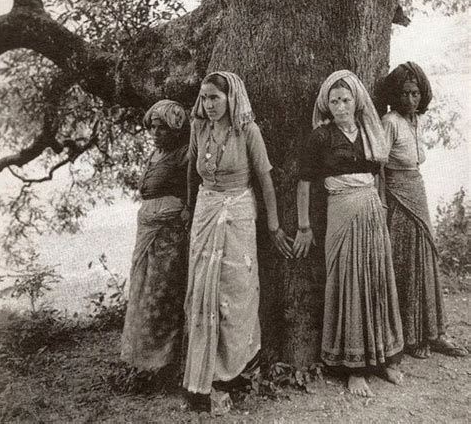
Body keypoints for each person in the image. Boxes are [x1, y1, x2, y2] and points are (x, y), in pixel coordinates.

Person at [183, 71, 291, 411]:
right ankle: (204, 374)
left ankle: (235, 372)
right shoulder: (200, 128)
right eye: (204, 97)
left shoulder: (248, 131)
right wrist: (190, 209)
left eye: (215, 97)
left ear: (232, 98)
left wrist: (273, 225)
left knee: (235, 293)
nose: (209, 104)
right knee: (204, 293)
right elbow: (191, 174)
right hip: (206, 212)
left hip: (239, 215)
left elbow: (265, 179)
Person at [294, 70, 403, 398]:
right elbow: (304, 183)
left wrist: (381, 209)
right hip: (340, 210)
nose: (340, 105)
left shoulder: (369, 132)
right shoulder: (321, 137)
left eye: (346, 99)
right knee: (348, 281)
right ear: (326, 104)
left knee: (377, 278)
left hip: (372, 210)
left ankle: (385, 357)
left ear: (357, 102)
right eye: (334, 100)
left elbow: (378, 176)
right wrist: (304, 226)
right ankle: (354, 368)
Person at [381, 61, 467, 359]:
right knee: (406, 261)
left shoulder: (417, 121)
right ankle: (411, 336)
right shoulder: (390, 122)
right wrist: (382, 201)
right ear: (395, 93)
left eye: (415, 93)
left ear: (422, 94)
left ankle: (435, 332)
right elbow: (379, 166)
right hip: (398, 195)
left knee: (426, 258)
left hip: (417, 189)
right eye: (404, 93)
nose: (410, 99)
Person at [121, 99, 189, 383]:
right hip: (148, 227)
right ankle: (142, 360)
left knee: (161, 293)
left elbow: (191, 189)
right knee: (142, 289)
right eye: (152, 127)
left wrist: (182, 211)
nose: (156, 133)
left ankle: (163, 363)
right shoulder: (155, 155)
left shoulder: (183, 155)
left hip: (168, 232)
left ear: (175, 130)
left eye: (162, 128)